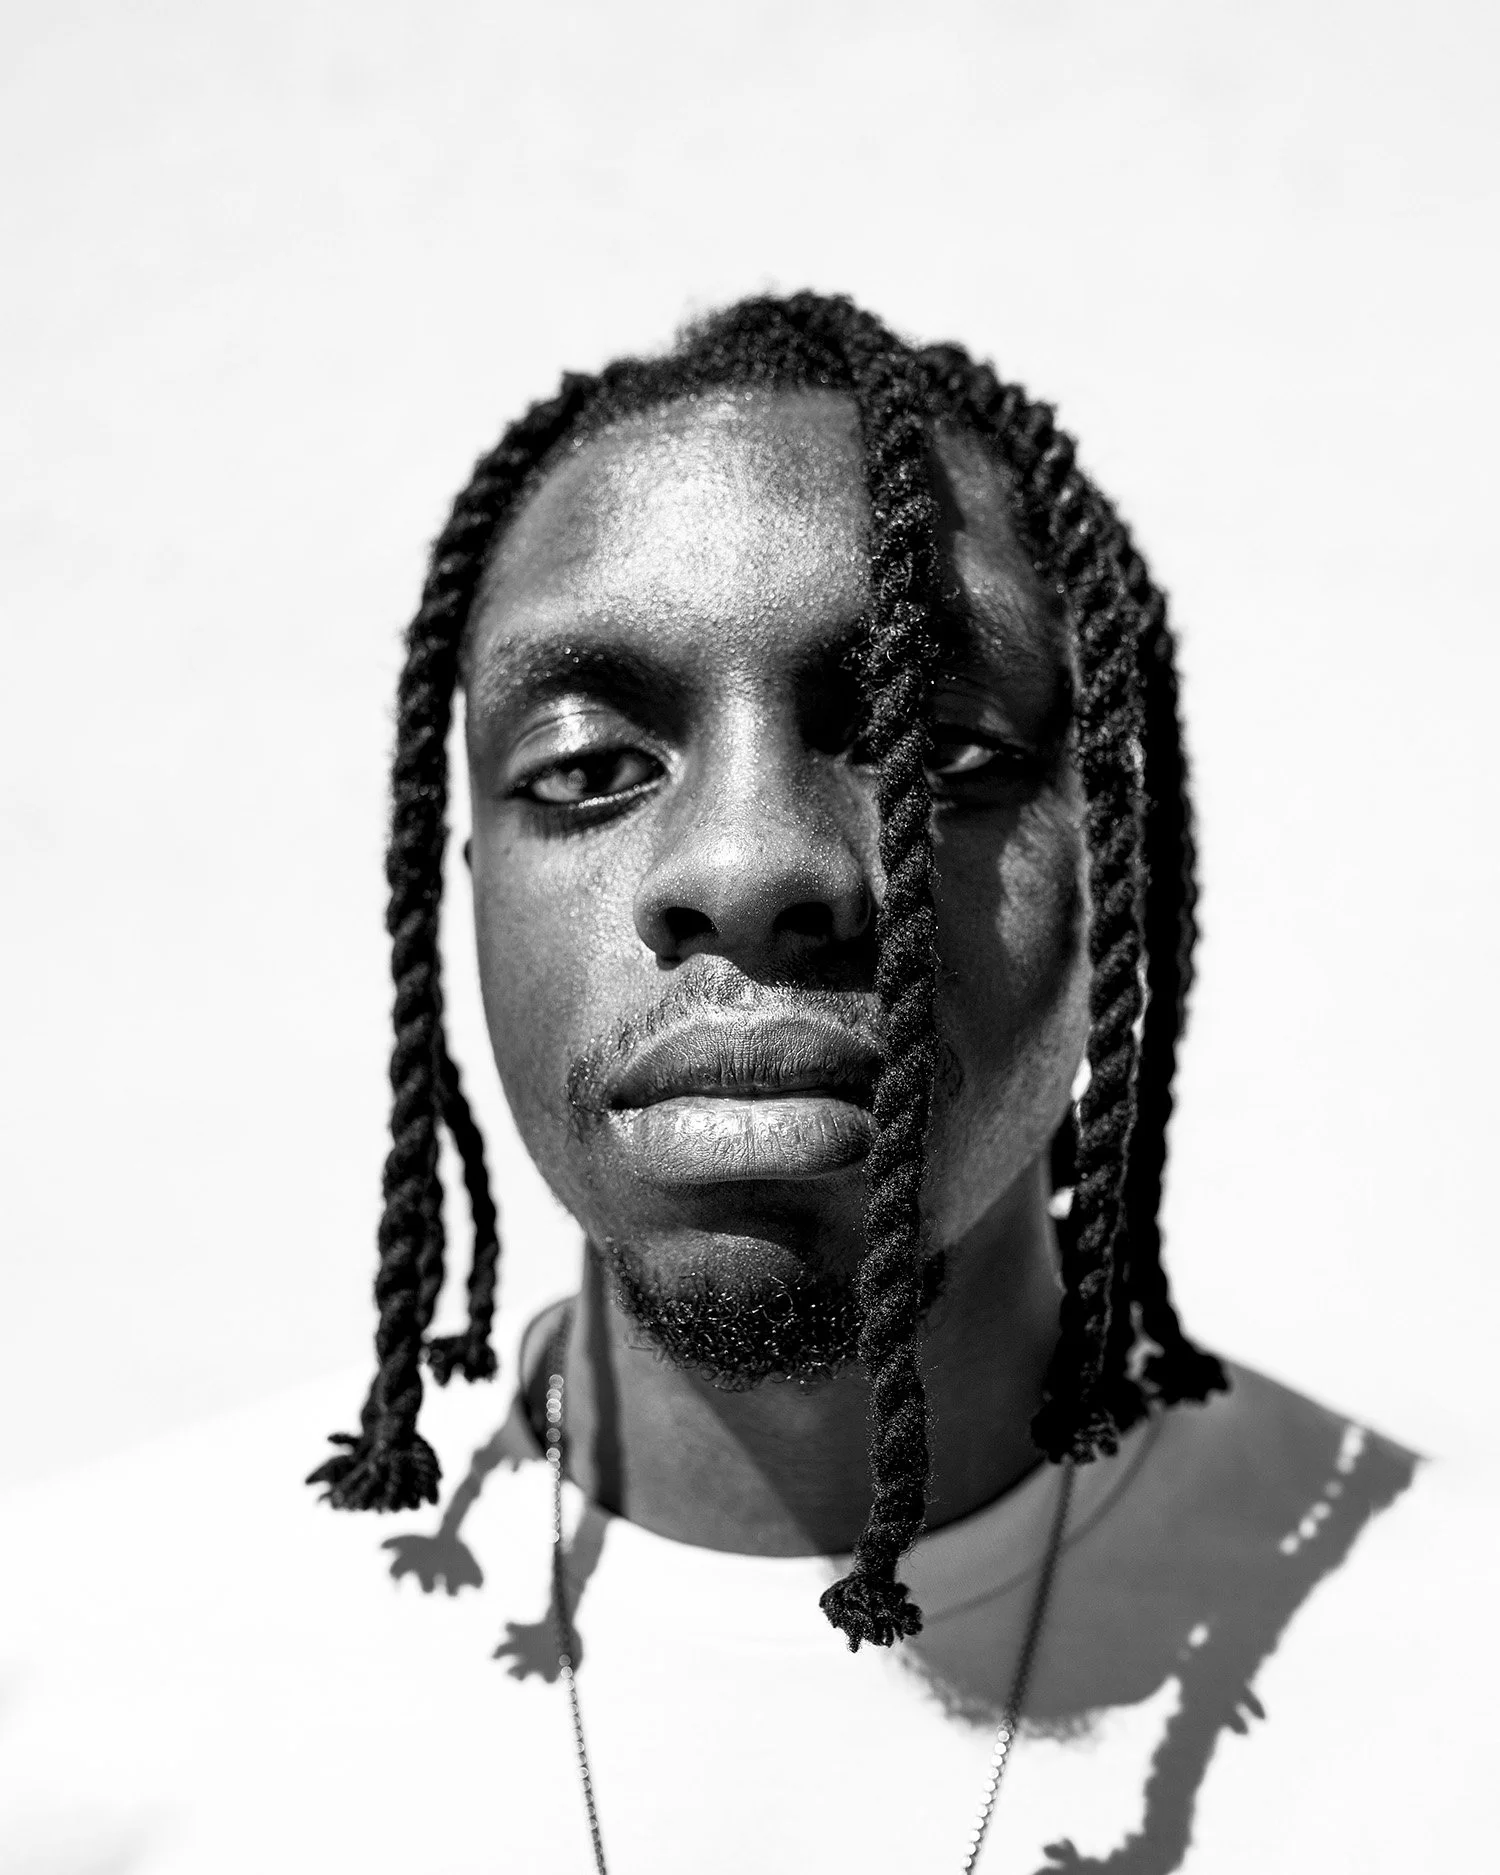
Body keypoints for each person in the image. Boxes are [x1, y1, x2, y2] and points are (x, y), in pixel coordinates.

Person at [2, 293, 1492, 1873]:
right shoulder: (65, 1683)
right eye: (587, 767)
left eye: (931, 744)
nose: (747, 864)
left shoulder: (1458, 1694)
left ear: (1117, 867)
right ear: (473, 887)